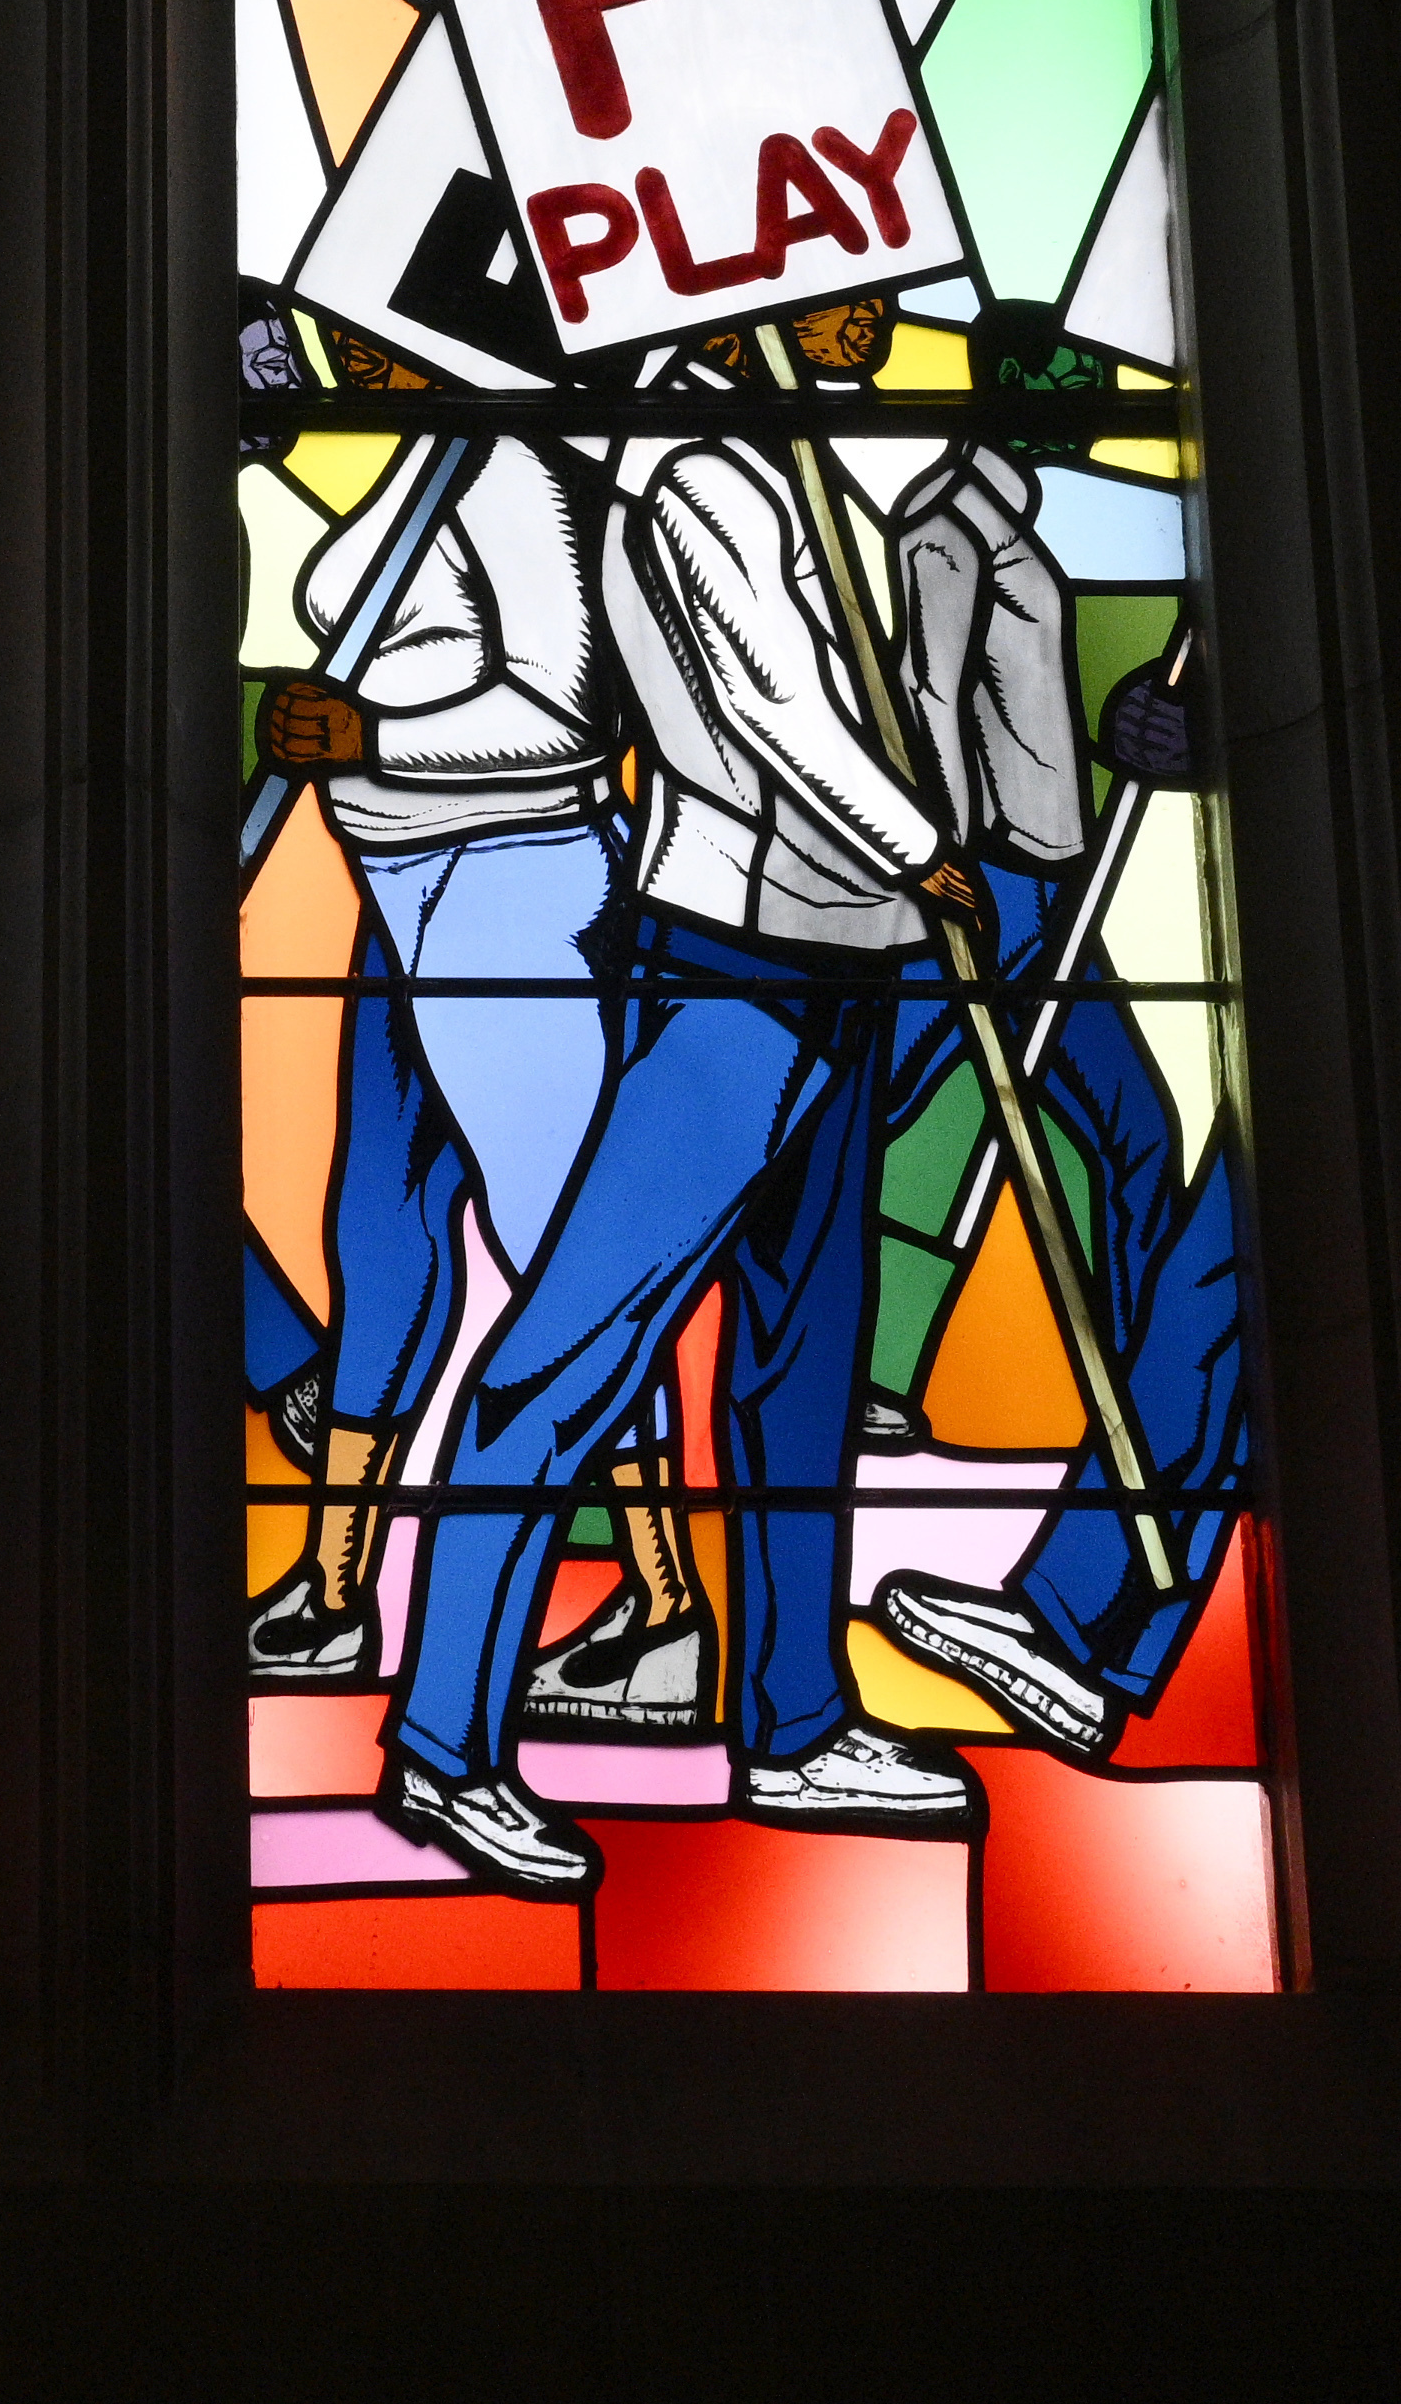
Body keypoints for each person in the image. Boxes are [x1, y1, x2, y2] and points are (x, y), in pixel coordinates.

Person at [373, 293, 991, 1897]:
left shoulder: (787, 451)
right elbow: (778, 711)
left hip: (841, 952)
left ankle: (794, 1722)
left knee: (802, 1362)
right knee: (575, 1347)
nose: (883, 307)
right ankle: (443, 1745)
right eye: (852, 279)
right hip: (736, 954)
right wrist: (925, 851)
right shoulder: (701, 466)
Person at [235, 314, 664, 1712]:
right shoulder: (425, 452)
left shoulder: (519, 468)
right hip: (400, 885)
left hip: (511, 884)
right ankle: (336, 1585)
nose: (342, 355)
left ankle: (664, 1599)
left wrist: (366, 738)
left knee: (568, 1247)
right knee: (382, 1238)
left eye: (370, 333)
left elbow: (567, 710)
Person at [859, 460, 1246, 1767]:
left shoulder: (1029, 519)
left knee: (1162, 1194)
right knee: (883, 1116)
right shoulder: (943, 524)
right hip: (984, 879)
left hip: (1036, 878)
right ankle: (1082, 1616)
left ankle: (1088, 1620)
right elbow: (926, 691)